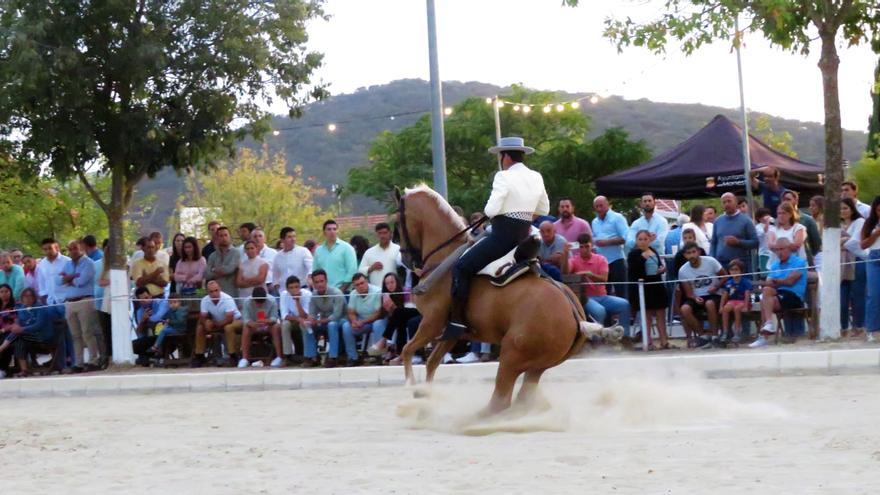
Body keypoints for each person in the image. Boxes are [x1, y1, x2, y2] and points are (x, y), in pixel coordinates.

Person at [446, 137, 549, 339]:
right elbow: (543, 208)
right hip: (525, 237)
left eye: (501, 156)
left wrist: (505, 211)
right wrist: (524, 215)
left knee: (462, 267)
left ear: (506, 157)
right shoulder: (536, 176)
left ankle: (457, 322)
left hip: (503, 237)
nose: (501, 160)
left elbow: (490, 210)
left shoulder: (503, 176)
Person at [569, 233, 631, 337]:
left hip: (602, 296)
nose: (584, 249)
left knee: (625, 304)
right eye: (581, 247)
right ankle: (598, 341)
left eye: (587, 246)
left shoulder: (601, 259)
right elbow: (565, 271)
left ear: (591, 245)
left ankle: (624, 337)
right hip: (586, 298)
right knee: (600, 311)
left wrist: (590, 275)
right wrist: (566, 253)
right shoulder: (574, 260)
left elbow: (604, 280)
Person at [751, 238, 808, 347]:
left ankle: (764, 336)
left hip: (794, 297)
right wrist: (779, 282)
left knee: (765, 298)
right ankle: (768, 325)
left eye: (782, 249)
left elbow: (790, 282)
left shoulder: (799, 262)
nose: (779, 252)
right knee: (766, 294)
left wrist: (777, 282)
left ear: (789, 249)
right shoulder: (775, 265)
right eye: (777, 250)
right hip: (778, 295)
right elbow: (769, 283)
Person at [60, 239, 101, 369]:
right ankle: (78, 363)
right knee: (75, 335)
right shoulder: (67, 264)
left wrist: (68, 279)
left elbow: (82, 280)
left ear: (81, 248)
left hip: (85, 300)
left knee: (87, 332)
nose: (72, 251)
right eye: (70, 249)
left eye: (75, 248)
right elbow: (58, 280)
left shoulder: (88, 263)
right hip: (70, 302)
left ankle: (93, 360)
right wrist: (71, 277)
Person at [678, 241, 725, 347]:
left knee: (710, 304)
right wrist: (695, 298)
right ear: (685, 255)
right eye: (688, 253)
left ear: (698, 252)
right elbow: (688, 292)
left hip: (715, 293)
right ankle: (703, 335)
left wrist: (716, 287)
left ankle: (714, 335)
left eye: (693, 252)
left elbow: (725, 276)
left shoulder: (711, 261)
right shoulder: (683, 270)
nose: (692, 255)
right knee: (684, 309)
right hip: (697, 296)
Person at [0, 288, 57, 377]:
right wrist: (18, 328)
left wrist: (22, 329)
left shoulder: (40, 307)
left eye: (30, 295)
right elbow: (18, 325)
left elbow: (38, 325)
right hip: (29, 336)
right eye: (25, 296)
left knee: (19, 335)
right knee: (19, 340)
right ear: (22, 298)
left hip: (43, 336)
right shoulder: (22, 309)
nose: (27, 298)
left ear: (34, 297)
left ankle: (2, 348)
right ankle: (24, 370)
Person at [627, 230, 669, 349]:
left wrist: (662, 269)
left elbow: (658, 265)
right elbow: (633, 271)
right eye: (640, 239)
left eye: (645, 239)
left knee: (661, 313)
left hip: (656, 284)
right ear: (636, 241)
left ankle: (664, 341)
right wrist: (643, 258)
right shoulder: (633, 254)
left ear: (650, 240)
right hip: (644, 287)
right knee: (647, 315)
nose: (643, 242)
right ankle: (648, 341)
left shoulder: (654, 251)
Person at [368, 272, 421, 361]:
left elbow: (409, 308)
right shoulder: (385, 296)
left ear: (397, 282)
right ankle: (401, 353)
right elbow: (389, 316)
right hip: (401, 318)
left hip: (415, 313)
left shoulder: (406, 291)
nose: (390, 285)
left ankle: (383, 340)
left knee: (398, 313)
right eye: (387, 283)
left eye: (392, 282)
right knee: (400, 322)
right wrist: (389, 307)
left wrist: (393, 307)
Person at [191, 280, 243, 367]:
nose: (214, 293)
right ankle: (199, 355)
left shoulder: (227, 299)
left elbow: (229, 319)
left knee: (228, 327)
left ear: (220, 289)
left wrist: (215, 324)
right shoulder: (205, 300)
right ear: (208, 292)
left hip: (235, 320)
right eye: (211, 291)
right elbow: (203, 316)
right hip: (218, 322)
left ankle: (233, 355)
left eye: (216, 290)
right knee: (200, 327)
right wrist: (206, 323)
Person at [341, 273, 386, 365]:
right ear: (354, 286)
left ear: (367, 282)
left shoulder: (377, 291)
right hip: (361, 322)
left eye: (362, 283)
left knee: (378, 324)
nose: (360, 286)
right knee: (346, 326)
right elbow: (351, 312)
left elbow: (378, 314)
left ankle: (378, 356)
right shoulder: (353, 293)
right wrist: (354, 321)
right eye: (357, 285)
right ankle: (353, 358)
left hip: (375, 320)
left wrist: (362, 322)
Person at [591, 195, 630, 298]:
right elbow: (594, 239)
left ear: (607, 205)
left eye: (601, 205)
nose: (599, 208)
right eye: (597, 206)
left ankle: (624, 314)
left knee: (621, 292)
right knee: (604, 293)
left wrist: (607, 242)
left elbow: (625, 238)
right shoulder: (594, 222)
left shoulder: (617, 218)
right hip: (601, 263)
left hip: (616, 260)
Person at [306, 269, 345, 368]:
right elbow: (312, 313)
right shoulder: (314, 295)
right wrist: (310, 320)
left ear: (326, 281)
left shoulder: (336, 293)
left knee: (332, 325)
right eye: (316, 282)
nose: (319, 284)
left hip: (341, 320)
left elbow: (336, 315)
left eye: (321, 281)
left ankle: (333, 357)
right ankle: (312, 357)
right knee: (307, 326)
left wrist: (318, 321)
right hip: (323, 321)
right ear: (313, 284)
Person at [710, 192, 758, 268]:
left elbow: (755, 242)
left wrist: (738, 242)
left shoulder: (746, 221)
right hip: (721, 264)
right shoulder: (717, 221)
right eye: (724, 202)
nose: (727, 204)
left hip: (741, 264)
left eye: (729, 201)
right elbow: (713, 242)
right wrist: (712, 259)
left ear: (736, 202)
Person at [239, 286, 283, 368]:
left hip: (268, 325)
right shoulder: (247, 302)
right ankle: (244, 358)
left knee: (276, 327)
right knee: (246, 328)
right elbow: (246, 319)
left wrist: (266, 321)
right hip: (253, 326)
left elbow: (274, 317)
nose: (260, 304)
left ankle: (279, 357)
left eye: (262, 302)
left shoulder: (272, 300)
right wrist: (253, 324)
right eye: (257, 302)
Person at [840, 198, 866, 335]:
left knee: (858, 296)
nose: (842, 211)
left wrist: (842, 241)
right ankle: (843, 327)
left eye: (845, 208)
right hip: (842, 264)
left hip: (858, 261)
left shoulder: (860, 222)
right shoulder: (837, 226)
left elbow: (855, 242)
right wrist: (844, 240)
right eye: (840, 209)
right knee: (842, 298)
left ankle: (859, 326)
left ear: (852, 209)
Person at [314, 220, 358, 292]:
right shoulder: (318, 251)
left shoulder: (347, 248)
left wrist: (340, 291)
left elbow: (352, 271)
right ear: (324, 232)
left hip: (344, 291)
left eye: (334, 229)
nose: (332, 231)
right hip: (324, 292)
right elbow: (315, 272)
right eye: (329, 229)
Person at [280, 275, 312, 366]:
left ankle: (307, 356)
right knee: (285, 324)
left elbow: (306, 315)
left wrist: (297, 301)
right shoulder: (284, 295)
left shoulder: (307, 294)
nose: (294, 289)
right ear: (287, 289)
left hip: (306, 320)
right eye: (291, 288)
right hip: (294, 320)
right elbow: (284, 315)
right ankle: (287, 356)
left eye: (296, 287)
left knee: (304, 324)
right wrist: (297, 319)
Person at [860, 196, 880, 342]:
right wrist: (876, 233)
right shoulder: (869, 223)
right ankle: (872, 329)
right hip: (874, 257)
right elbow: (863, 244)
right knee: (874, 295)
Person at [781, 190, 820, 263]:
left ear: (796, 201)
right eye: (783, 200)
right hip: (784, 262)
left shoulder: (807, 220)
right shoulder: (778, 221)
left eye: (788, 199)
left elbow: (817, 244)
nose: (785, 202)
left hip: (804, 261)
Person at [719, 260, 753, 343]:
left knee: (737, 309)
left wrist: (745, 306)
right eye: (732, 270)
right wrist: (721, 306)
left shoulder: (745, 282)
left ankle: (737, 332)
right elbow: (725, 295)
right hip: (732, 301)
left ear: (741, 271)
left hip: (742, 301)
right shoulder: (729, 283)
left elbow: (747, 294)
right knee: (725, 309)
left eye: (736, 269)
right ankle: (725, 331)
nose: (734, 272)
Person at [272, 226, 313, 293]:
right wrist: (278, 289)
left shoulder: (303, 251)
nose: (293, 239)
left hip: (302, 291)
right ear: (282, 240)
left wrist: (310, 277)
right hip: (284, 293)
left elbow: (311, 267)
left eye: (294, 236)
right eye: (289, 237)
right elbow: (275, 277)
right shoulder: (277, 256)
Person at [358, 222, 400, 287]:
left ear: (390, 234)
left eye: (385, 233)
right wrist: (371, 268)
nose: (382, 236)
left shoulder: (398, 249)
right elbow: (360, 272)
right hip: (376, 292)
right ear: (376, 235)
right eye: (379, 233)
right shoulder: (369, 252)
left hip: (395, 291)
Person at [205, 226, 241, 298]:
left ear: (230, 237)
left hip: (232, 293)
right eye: (221, 236)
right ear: (217, 238)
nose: (224, 238)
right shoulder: (212, 255)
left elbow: (229, 269)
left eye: (226, 235)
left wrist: (214, 269)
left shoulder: (236, 252)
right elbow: (207, 274)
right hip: (216, 295)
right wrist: (217, 271)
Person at [767, 203, 807, 267]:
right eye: (779, 213)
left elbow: (796, 246)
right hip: (776, 266)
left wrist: (778, 246)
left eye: (784, 213)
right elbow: (770, 246)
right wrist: (787, 246)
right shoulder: (773, 229)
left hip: (795, 266)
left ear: (790, 214)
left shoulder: (799, 228)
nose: (781, 216)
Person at [36, 238, 71, 305]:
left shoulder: (67, 261)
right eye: (45, 249)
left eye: (50, 248)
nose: (48, 251)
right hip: (50, 302)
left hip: (65, 300)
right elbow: (41, 282)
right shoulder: (42, 264)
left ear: (57, 248)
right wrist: (44, 297)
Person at [754, 208, 774, 273]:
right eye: (763, 216)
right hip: (764, 253)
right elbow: (764, 232)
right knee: (765, 274)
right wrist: (767, 222)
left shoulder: (773, 226)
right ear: (759, 218)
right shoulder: (758, 227)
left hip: (773, 253)